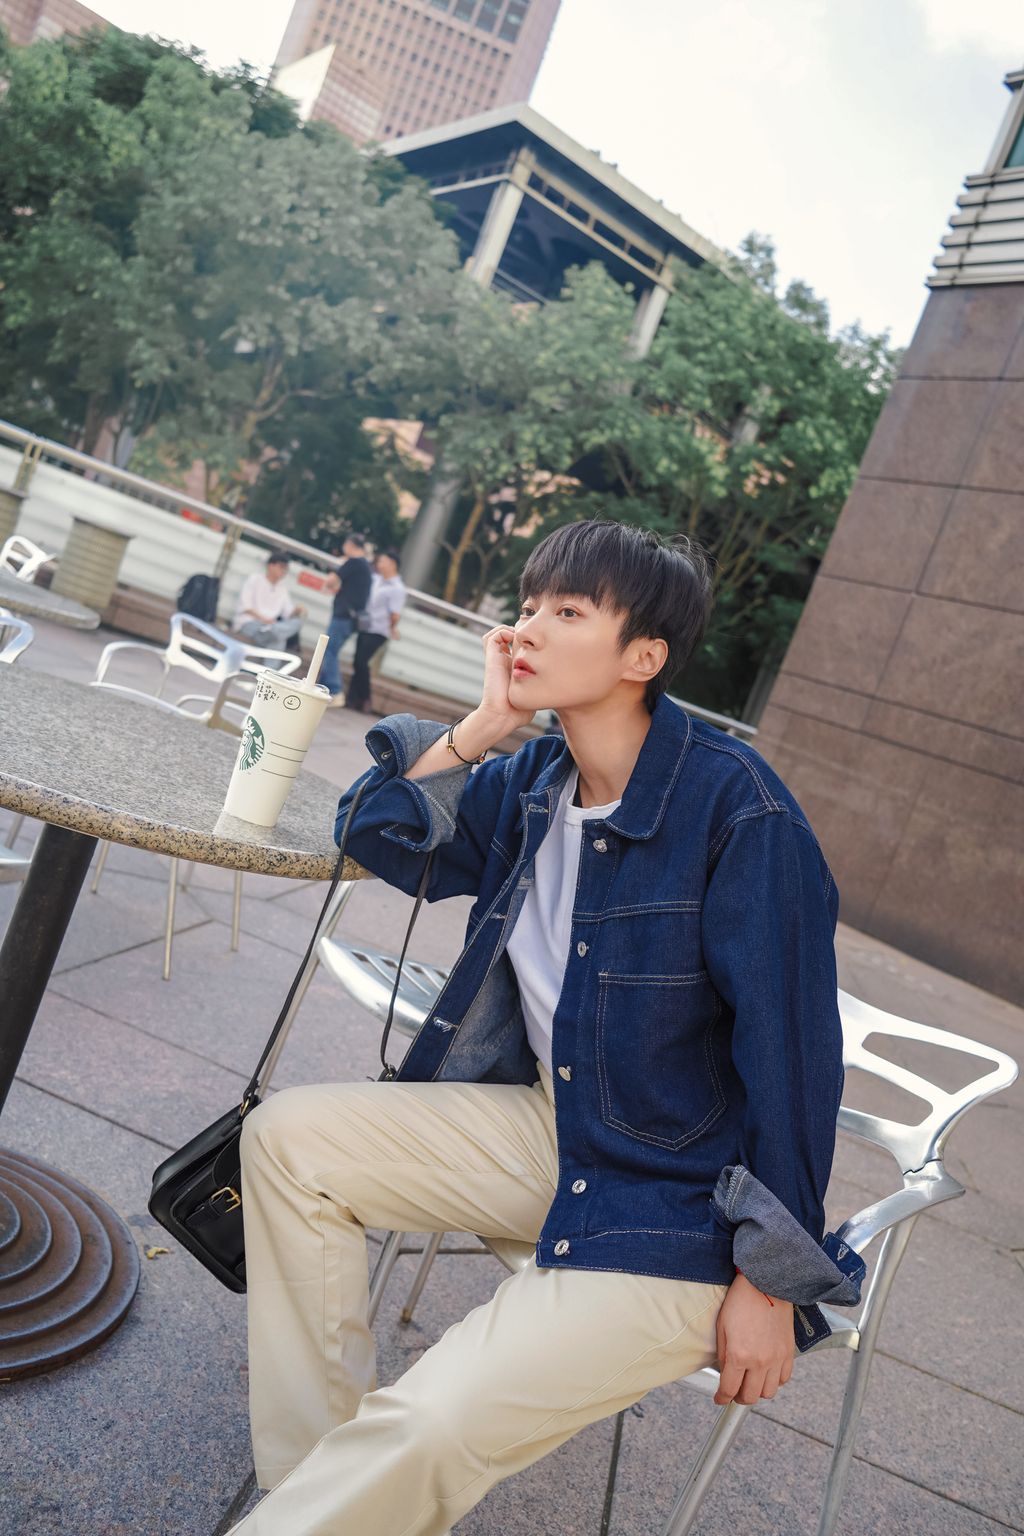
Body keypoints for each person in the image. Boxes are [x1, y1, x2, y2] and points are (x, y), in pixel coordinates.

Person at [231, 520, 864, 1536]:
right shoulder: (534, 780)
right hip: (558, 1129)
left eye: (567, 611)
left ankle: (338, 1503)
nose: (524, 628)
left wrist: (767, 1281)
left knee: (432, 1423)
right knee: (287, 1142)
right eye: (527, 605)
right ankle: (324, 1492)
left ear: (642, 656)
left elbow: (793, 1063)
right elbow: (372, 831)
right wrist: (484, 723)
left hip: (682, 1203)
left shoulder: (739, 814)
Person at [343, 547, 406, 714]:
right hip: (365, 625)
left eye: (382, 561)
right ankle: (353, 699)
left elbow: (395, 614)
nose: (379, 564)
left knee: (361, 661)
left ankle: (365, 698)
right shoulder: (376, 579)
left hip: (379, 630)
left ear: (392, 564)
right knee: (358, 661)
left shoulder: (397, 588)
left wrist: (392, 627)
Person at [320, 534, 373, 706]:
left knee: (329, 651)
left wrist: (339, 565)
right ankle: (323, 690)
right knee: (331, 651)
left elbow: (331, 582)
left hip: (343, 616)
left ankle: (334, 691)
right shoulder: (365, 566)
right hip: (352, 619)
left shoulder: (354, 562)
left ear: (350, 545)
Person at [233, 553, 306, 651]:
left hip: (271, 627)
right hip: (250, 623)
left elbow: (288, 614)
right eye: (281, 567)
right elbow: (246, 607)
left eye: (286, 569)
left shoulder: (283, 589)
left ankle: (270, 633)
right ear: (270, 565)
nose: (284, 571)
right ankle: (271, 634)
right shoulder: (254, 579)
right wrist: (265, 619)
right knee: (279, 641)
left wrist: (298, 610)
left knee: (297, 622)